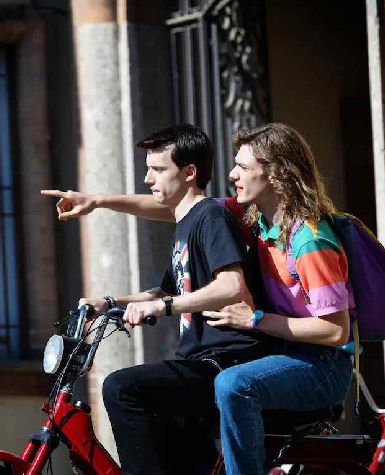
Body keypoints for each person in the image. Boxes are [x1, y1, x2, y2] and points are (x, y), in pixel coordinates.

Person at [42, 122, 353, 475]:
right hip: (281, 353)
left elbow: (335, 332)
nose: (232, 174)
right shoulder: (257, 222)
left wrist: (254, 320)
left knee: (219, 384)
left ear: (276, 174)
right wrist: (97, 203)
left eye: (243, 167)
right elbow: (174, 207)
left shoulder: (309, 239)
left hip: (318, 363)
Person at [60, 124, 269, 475]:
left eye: (158, 170)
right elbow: (165, 292)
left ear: (189, 173)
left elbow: (232, 285)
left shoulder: (210, 218)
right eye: (147, 169)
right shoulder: (183, 223)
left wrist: (164, 307)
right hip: (198, 361)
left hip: (225, 363)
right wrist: (109, 302)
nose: (147, 179)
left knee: (122, 388)